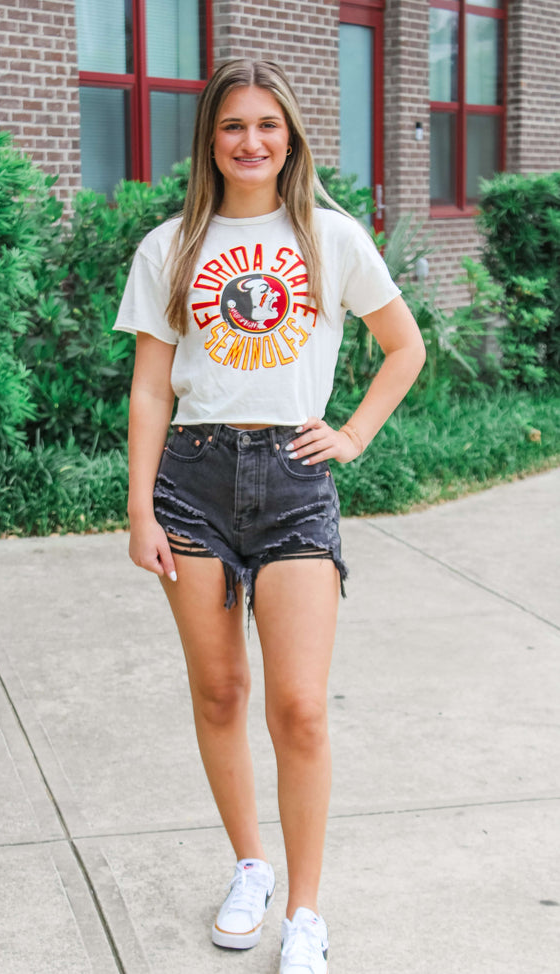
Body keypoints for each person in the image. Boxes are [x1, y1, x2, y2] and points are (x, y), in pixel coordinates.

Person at [113, 58, 425, 974]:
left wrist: (355, 434)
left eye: (268, 125)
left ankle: (305, 913)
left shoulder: (329, 238)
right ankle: (249, 867)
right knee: (220, 694)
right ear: (208, 141)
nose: (251, 142)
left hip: (294, 476)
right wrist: (138, 507)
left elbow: (403, 346)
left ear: (290, 137)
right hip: (193, 482)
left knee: (298, 708)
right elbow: (148, 390)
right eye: (232, 126)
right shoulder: (169, 246)